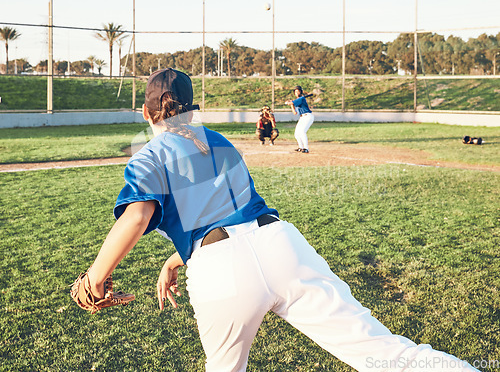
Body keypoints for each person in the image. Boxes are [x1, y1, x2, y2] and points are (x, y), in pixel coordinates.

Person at [73, 68, 480, 372]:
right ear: (195, 108)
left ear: (145, 112)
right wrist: (176, 258)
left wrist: (94, 278)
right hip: (283, 246)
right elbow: (233, 218)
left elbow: (139, 215)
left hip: (219, 271)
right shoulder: (219, 140)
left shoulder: (148, 153)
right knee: (384, 353)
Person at [285, 85, 314, 153]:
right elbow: (295, 113)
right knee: (296, 133)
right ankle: (301, 147)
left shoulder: (301, 99)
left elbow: (291, 103)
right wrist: (292, 104)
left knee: (302, 132)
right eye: (295, 92)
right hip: (302, 117)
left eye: (298, 91)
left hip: (307, 116)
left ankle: (306, 148)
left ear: (301, 92)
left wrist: (289, 102)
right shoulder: (297, 101)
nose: (297, 93)